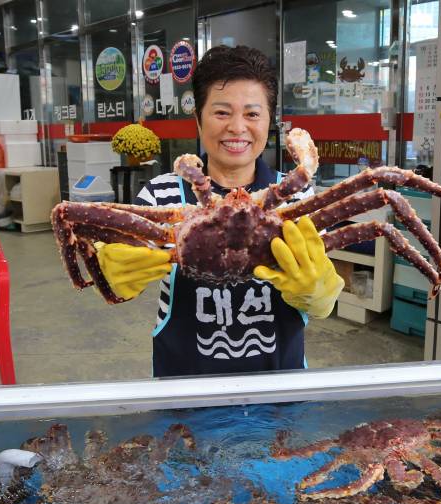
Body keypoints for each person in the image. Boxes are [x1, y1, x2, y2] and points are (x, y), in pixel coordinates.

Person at [96, 45, 343, 377]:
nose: (237, 127)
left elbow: (319, 286)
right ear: (198, 120)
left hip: (280, 385)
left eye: (253, 114)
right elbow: (119, 270)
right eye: (222, 112)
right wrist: (106, 275)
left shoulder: (297, 197)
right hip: (184, 386)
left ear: (269, 121)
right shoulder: (161, 196)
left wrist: (319, 295)